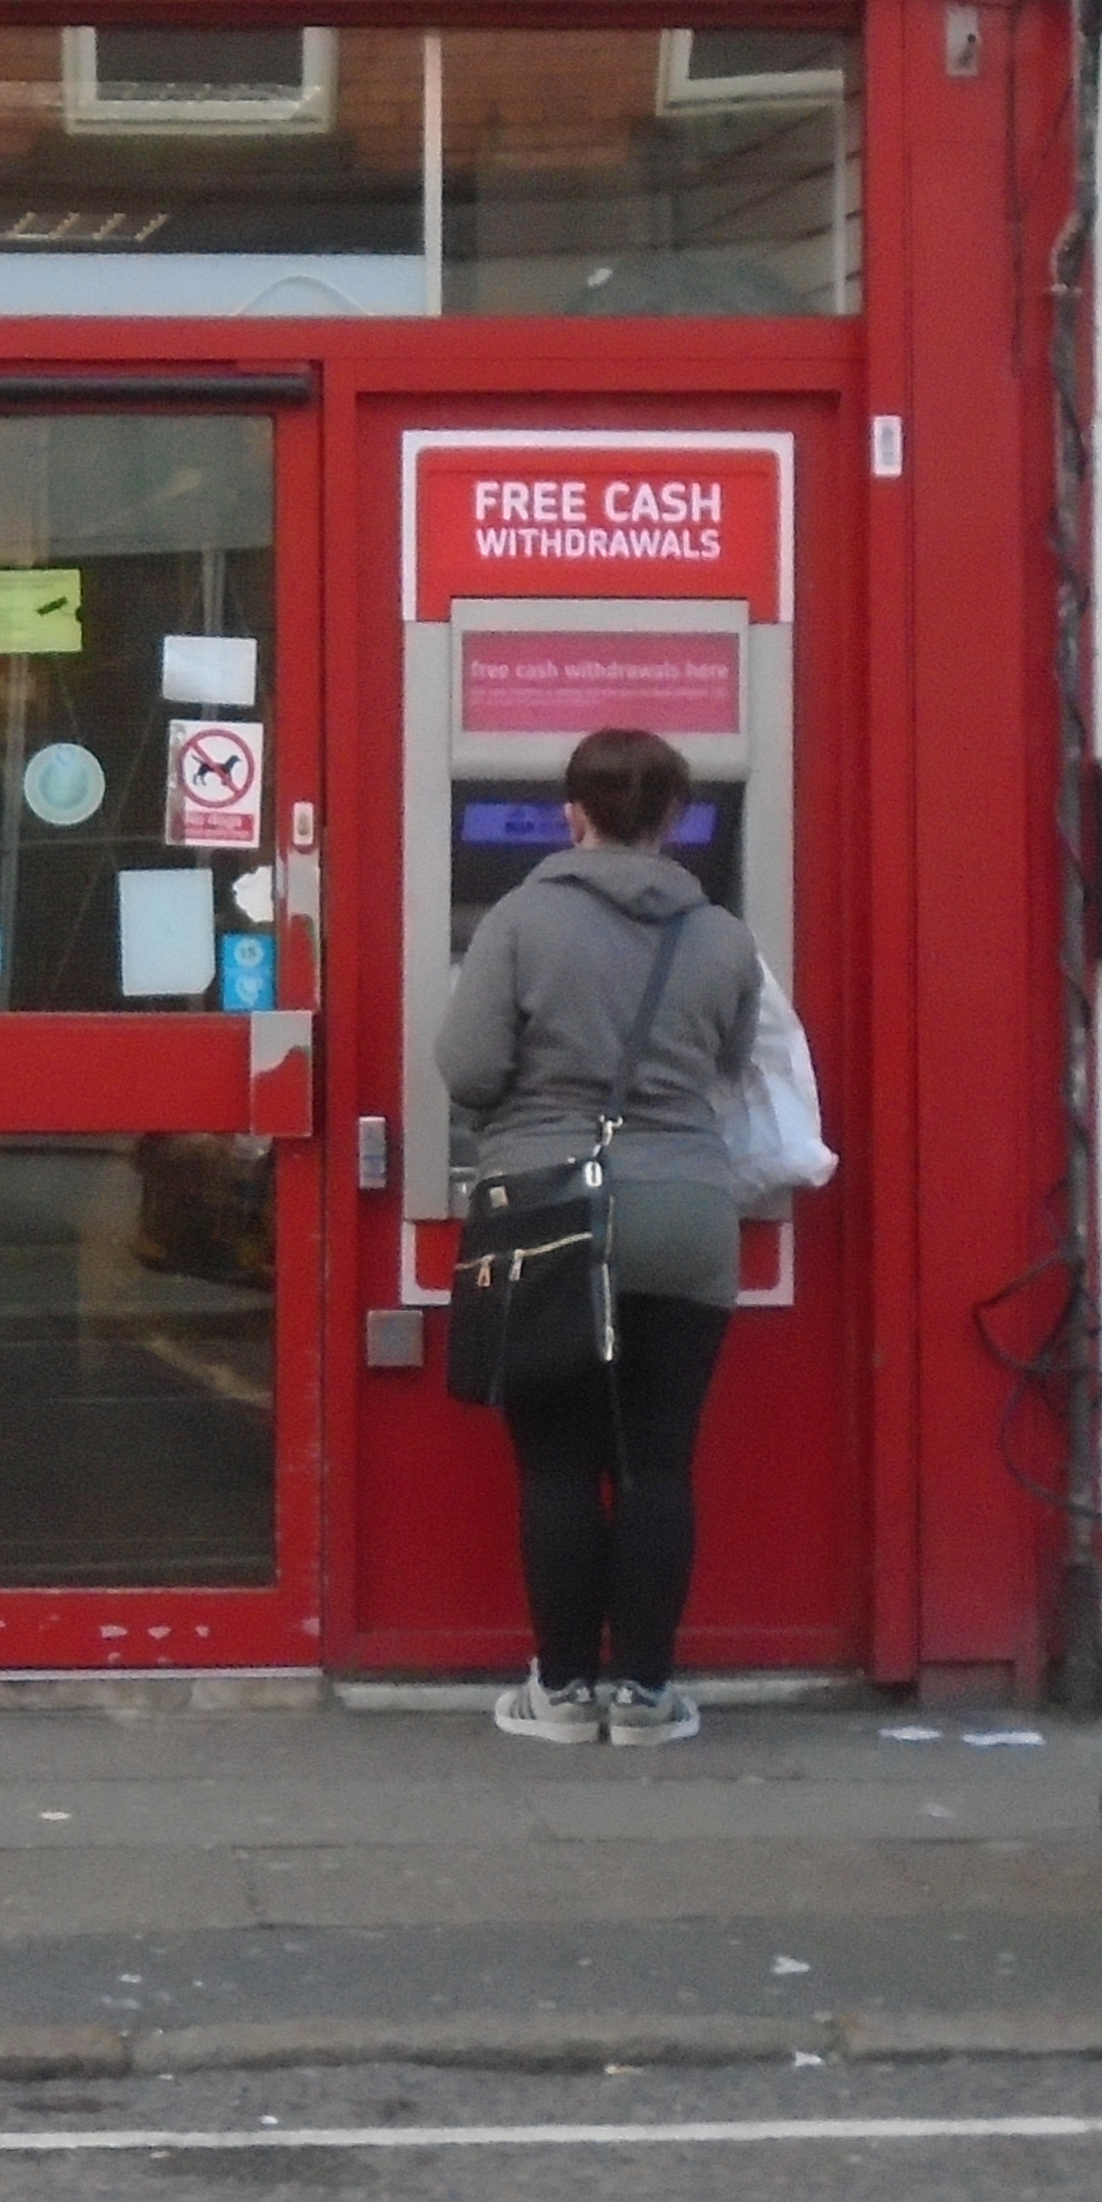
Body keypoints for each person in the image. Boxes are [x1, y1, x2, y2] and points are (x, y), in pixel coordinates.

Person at [438, 725, 763, 1748]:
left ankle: (565, 1693)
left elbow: (467, 1067)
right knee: (660, 1461)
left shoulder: (518, 920)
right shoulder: (722, 935)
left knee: (557, 1465)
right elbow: (734, 1060)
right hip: (683, 1212)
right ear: (672, 819)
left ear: (570, 813)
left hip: (547, 1213)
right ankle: (647, 1697)